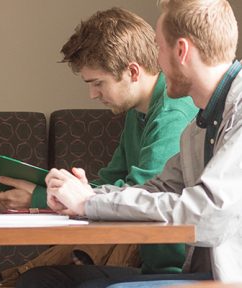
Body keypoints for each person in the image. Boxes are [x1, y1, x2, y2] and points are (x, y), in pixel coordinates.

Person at [0, 7, 199, 288]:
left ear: (132, 71)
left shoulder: (172, 115)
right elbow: (110, 180)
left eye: (98, 83)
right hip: (151, 264)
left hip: (175, 270)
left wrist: (40, 199)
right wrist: (61, 189)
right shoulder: (138, 113)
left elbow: (142, 194)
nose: (92, 94)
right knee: (39, 279)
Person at [45, 0, 242, 286]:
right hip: (207, 274)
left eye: (159, 49)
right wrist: (86, 198)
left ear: (181, 51)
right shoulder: (200, 125)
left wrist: (88, 203)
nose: (156, 62)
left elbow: (207, 215)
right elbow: (160, 187)